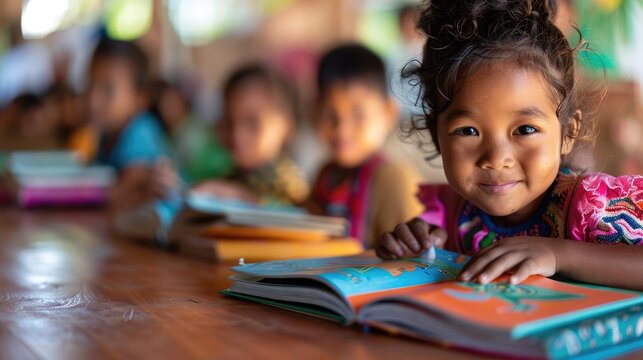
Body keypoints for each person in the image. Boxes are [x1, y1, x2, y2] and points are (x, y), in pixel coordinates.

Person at [376, 0, 643, 291]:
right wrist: (418, 246)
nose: (496, 158)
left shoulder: (590, 207)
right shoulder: (452, 214)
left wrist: (558, 254)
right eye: (468, 131)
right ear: (436, 134)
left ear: (568, 132)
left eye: (525, 129)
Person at [310, 44, 423, 248]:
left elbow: (410, 260)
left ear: (388, 113)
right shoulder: (325, 174)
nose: (342, 130)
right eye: (329, 114)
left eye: (358, 115)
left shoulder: (392, 179)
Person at [192, 64, 309, 206]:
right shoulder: (225, 178)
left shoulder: (292, 188)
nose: (237, 135)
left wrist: (242, 198)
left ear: (286, 126)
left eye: (252, 123)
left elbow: (294, 216)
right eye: (229, 122)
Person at [87, 37, 178, 216]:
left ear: (141, 97)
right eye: (90, 85)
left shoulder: (140, 131)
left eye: (107, 90)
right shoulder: (106, 134)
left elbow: (121, 191)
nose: (93, 100)